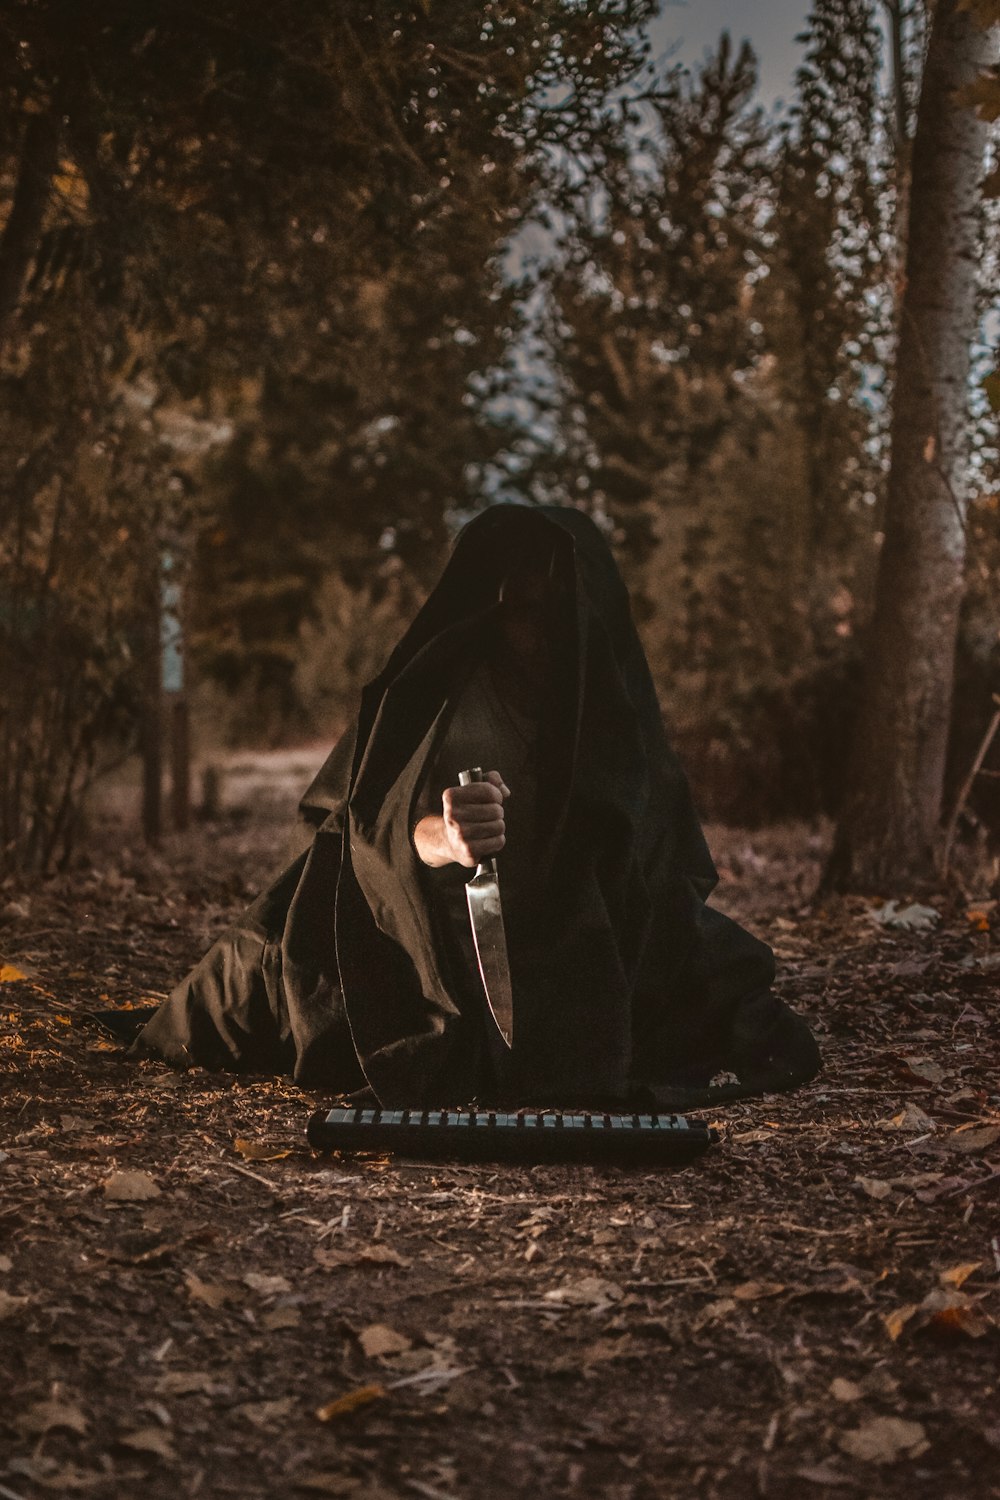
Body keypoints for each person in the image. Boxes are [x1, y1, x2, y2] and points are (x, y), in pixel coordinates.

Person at [133, 505, 820, 1108]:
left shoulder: (604, 704)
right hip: (413, 931)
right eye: (524, 611)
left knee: (716, 983)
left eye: (559, 612)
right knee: (269, 985)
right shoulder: (441, 694)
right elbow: (373, 827)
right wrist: (445, 836)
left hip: (563, 934)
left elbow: (652, 860)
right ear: (497, 608)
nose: (541, 634)